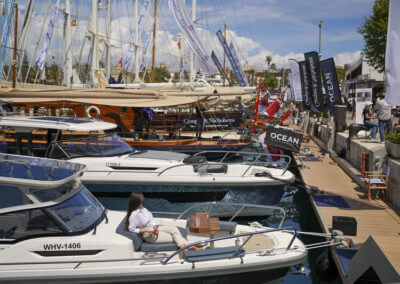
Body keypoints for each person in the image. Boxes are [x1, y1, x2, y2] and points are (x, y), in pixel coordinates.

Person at [125, 192, 201, 250]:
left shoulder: (143, 209)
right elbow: (132, 229)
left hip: (153, 229)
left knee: (174, 229)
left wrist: (155, 227)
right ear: (136, 203)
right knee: (172, 237)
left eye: (142, 202)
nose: (142, 204)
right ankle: (187, 248)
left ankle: (186, 247)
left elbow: (151, 219)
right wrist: (147, 231)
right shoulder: (133, 215)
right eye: (140, 202)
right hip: (148, 235)